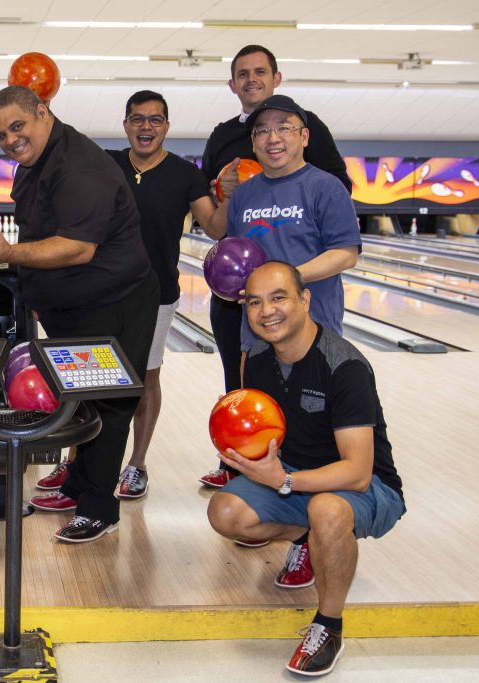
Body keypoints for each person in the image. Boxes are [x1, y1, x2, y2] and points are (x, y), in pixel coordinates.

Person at [0, 86, 158, 544]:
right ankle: (77, 487)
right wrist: (36, 288)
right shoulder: (37, 162)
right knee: (81, 400)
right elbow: (42, 231)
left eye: (18, 126)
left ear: (43, 111)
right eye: (1, 134)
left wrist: (10, 253)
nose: (11, 140)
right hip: (72, 303)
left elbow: (77, 247)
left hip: (115, 302)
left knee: (108, 405)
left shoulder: (78, 167)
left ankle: (99, 509)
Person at [207, 261, 405, 676]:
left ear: (305, 299)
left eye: (278, 297)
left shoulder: (344, 367)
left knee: (327, 510)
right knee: (224, 512)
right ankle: (309, 540)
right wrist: (245, 455)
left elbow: (358, 472)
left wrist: (285, 481)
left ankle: (328, 626)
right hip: (294, 475)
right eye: (255, 302)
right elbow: (261, 431)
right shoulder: (258, 359)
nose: (266, 311)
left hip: (368, 488)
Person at [37, 90, 217, 499]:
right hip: (97, 292)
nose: (146, 127)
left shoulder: (185, 175)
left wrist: (235, 190)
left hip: (156, 295)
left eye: (155, 120)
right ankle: (73, 463)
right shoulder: (107, 163)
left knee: (144, 379)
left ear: (167, 127)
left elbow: (217, 228)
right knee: (84, 380)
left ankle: (136, 465)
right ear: (126, 125)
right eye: (138, 119)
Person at [199, 45, 351, 490]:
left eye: (284, 128)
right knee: (260, 415)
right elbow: (217, 233)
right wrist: (219, 189)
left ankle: (313, 517)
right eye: (264, 131)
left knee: (316, 424)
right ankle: (265, 501)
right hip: (255, 330)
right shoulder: (245, 194)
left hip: (313, 324)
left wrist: (291, 280)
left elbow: (346, 251)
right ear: (254, 141)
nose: (273, 138)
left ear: (304, 136)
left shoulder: (326, 187)